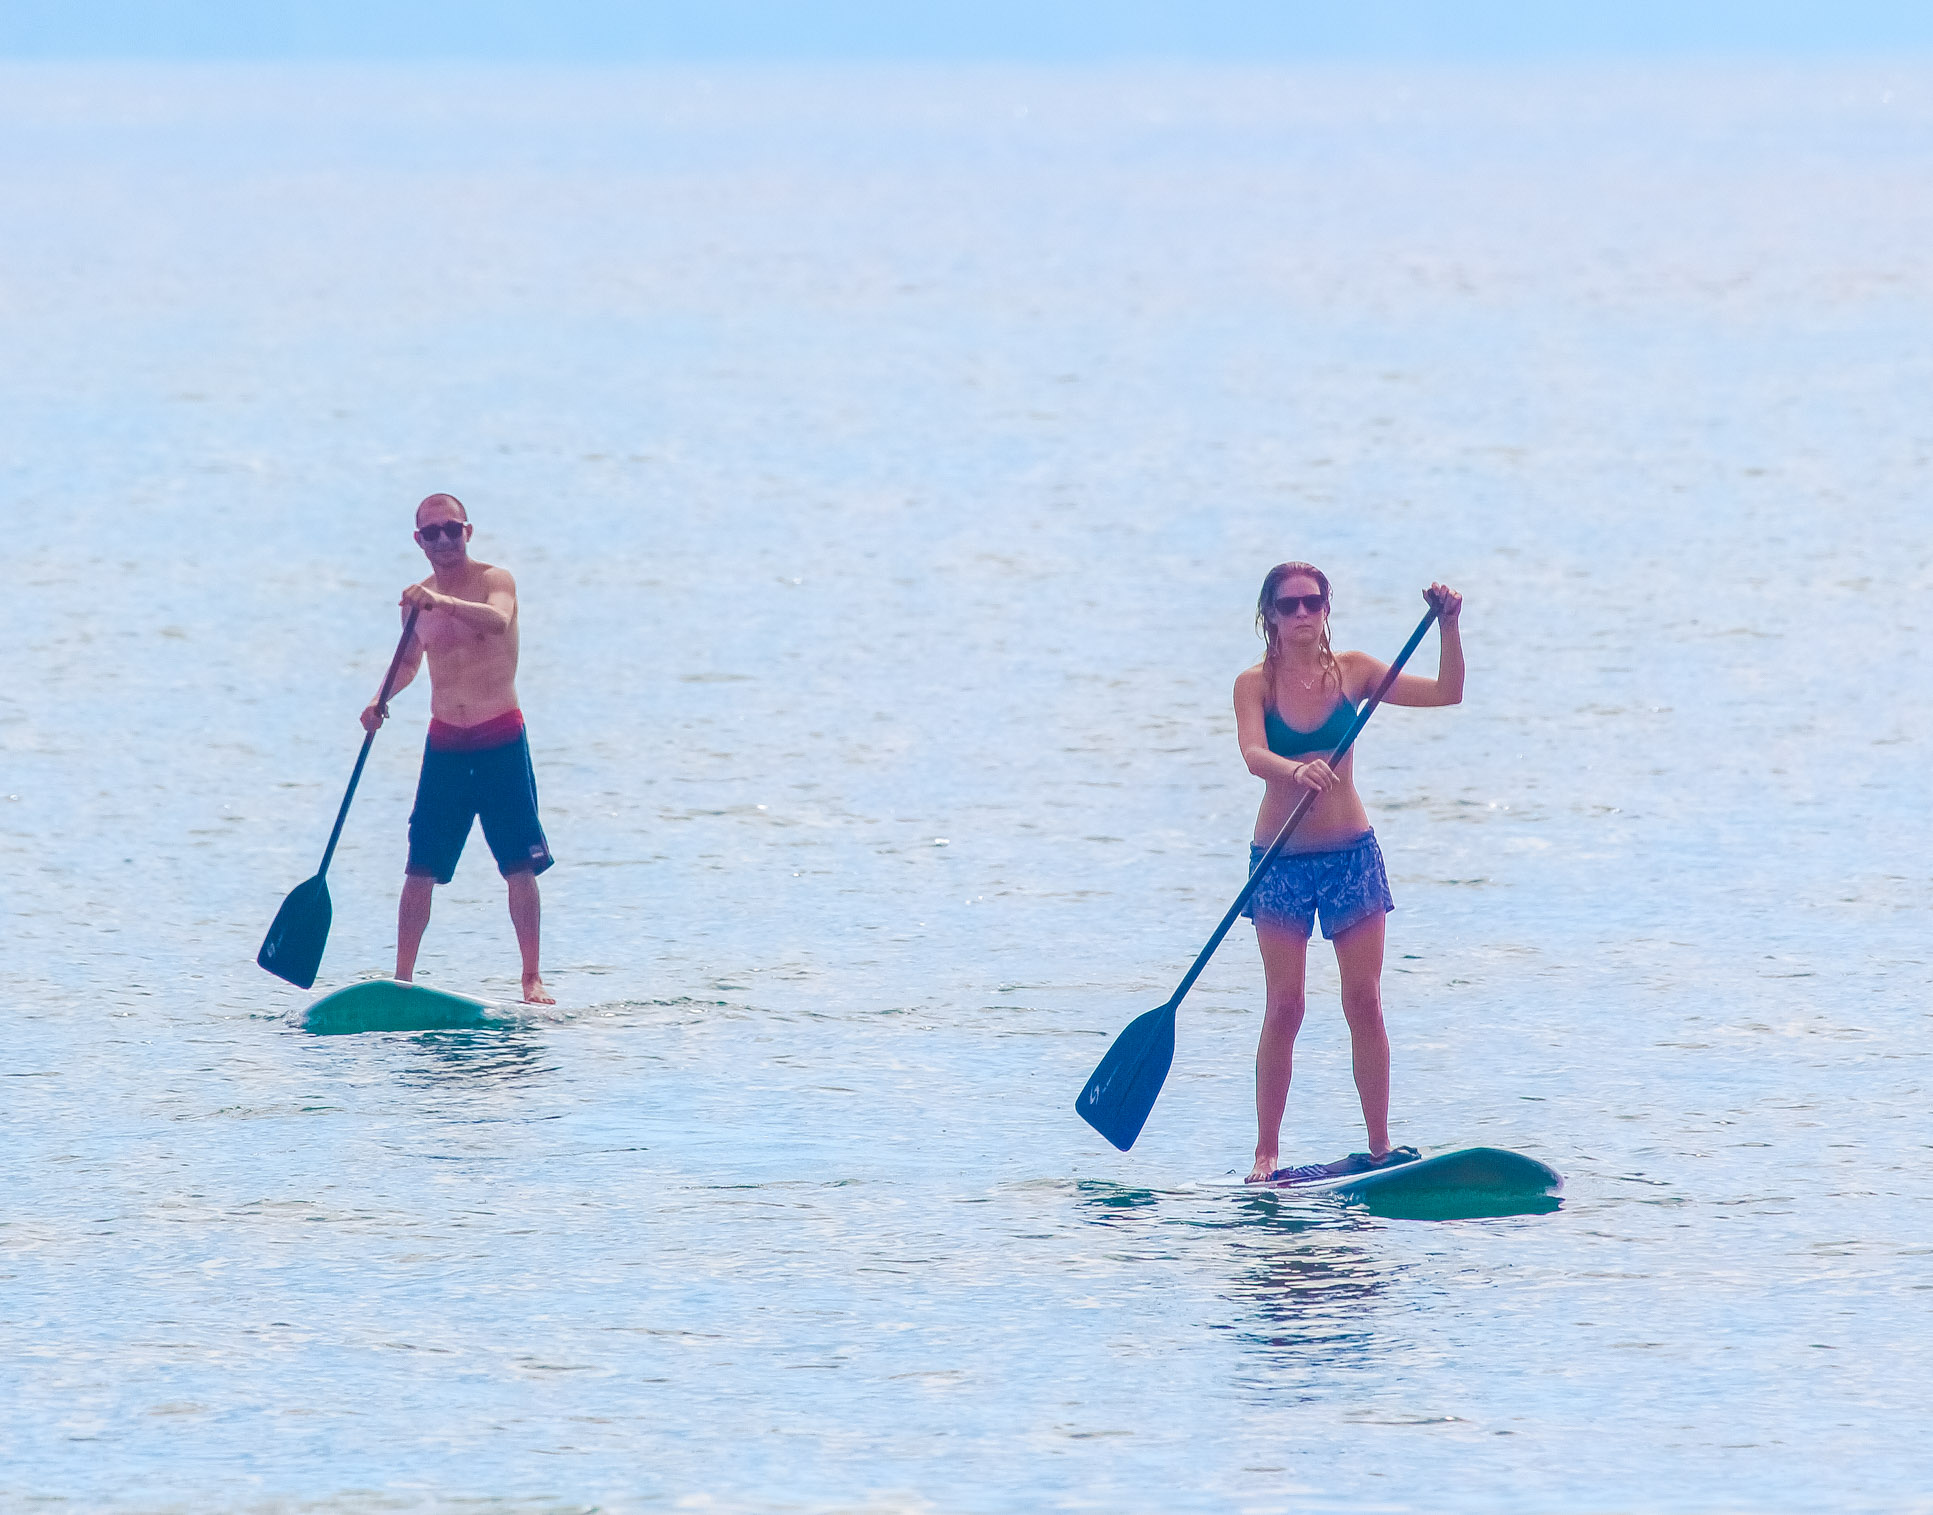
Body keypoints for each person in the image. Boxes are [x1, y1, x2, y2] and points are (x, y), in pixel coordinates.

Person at [1233, 562, 1462, 1183]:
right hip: (1279, 863)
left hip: (1350, 857)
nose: (1303, 614)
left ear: (1327, 609)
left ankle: (1381, 1146)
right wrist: (1293, 769)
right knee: (1286, 1005)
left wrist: (1448, 624)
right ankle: (1265, 1155)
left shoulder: (1354, 672)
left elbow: (1448, 691)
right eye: (1289, 606)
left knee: (1364, 1002)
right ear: (1270, 616)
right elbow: (1253, 753)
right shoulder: (1254, 683)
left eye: (1313, 602)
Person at [361, 493, 556, 1004]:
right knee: (419, 866)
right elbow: (407, 663)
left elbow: (498, 621)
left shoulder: (495, 581)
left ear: (467, 531)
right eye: (432, 532)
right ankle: (402, 979)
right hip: (445, 743)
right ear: (419, 541)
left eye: (452, 529)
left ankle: (531, 978)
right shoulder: (414, 601)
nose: (443, 539)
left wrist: (443, 602)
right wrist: (379, 700)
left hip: (499, 739)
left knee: (518, 864)